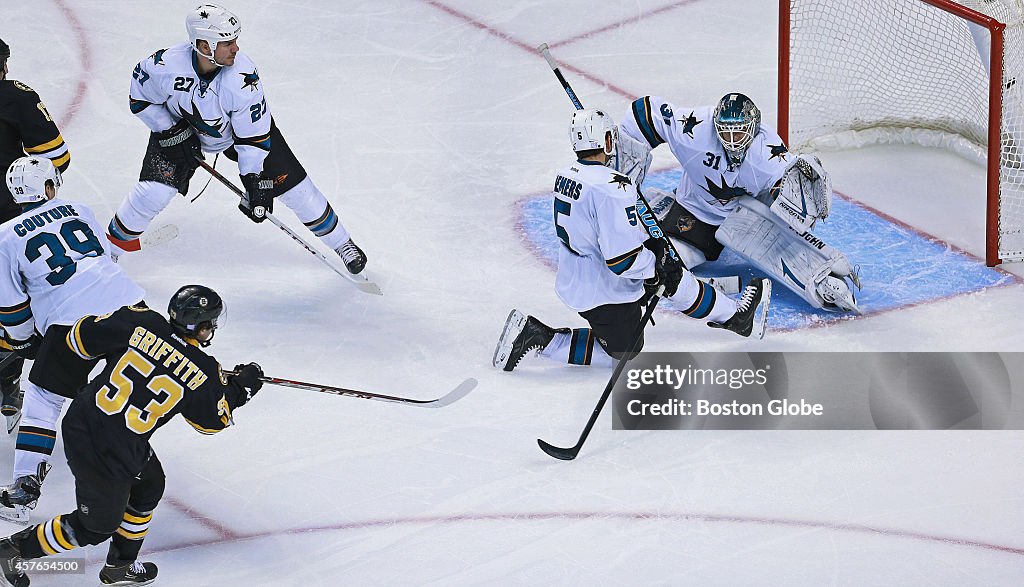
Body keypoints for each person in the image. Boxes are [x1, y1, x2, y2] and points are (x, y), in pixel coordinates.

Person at [0, 285, 264, 586]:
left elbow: (78, 340)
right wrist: (240, 389)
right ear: (202, 327)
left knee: (150, 484)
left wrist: (142, 349)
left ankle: (120, 566)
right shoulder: (204, 372)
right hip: (108, 452)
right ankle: (11, 550)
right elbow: (212, 422)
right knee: (95, 527)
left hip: (87, 422)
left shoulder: (140, 320)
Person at [493, 109, 771, 372]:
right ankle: (537, 336)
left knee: (669, 271)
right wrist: (656, 266)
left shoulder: (566, 176)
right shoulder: (613, 187)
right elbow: (622, 260)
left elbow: (600, 226)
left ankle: (734, 316)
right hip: (605, 289)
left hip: (577, 277)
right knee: (630, 344)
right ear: (605, 140)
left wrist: (652, 247)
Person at [106, 4, 368, 274]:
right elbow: (140, 97)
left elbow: (252, 138)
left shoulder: (243, 78)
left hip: (239, 137)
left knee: (297, 190)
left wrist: (254, 181)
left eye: (235, 40)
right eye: (227, 42)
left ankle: (342, 243)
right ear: (205, 46)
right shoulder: (164, 65)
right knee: (153, 192)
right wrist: (170, 130)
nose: (236, 48)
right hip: (180, 130)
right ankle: (109, 253)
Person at [619, 93, 863, 313]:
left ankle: (817, 272)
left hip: (745, 213)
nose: (733, 140)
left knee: (782, 214)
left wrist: (797, 200)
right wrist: (622, 166)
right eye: (726, 132)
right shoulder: (696, 129)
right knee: (659, 264)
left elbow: (794, 193)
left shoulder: (767, 154)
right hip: (693, 211)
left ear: (754, 127)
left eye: (739, 132)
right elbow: (644, 112)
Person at [0, 156, 146, 525]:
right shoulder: (78, 208)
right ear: (48, 188)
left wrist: (23, 343)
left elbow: (13, 310)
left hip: (70, 324)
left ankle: (23, 490)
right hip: (129, 307)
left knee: (44, 399)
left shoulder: (4, 238)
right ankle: (137, 476)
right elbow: (105, 259)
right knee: (128, 394)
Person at [0, 37, 72, 434]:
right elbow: (56, 157)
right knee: (21, 309)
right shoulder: (16, 98)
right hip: (11, 222)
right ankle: (8, 381)